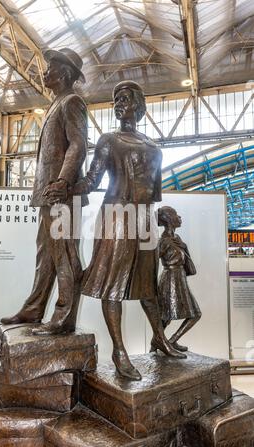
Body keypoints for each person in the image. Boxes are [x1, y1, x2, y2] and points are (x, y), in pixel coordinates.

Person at [60, 80, 185, 380]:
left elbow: (154, 192)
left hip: (142, 218)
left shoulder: (155, 147)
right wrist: (65, 186)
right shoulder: (108, 141)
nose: (119, 102)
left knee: (147, 285)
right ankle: (119, 351)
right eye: (116, 98)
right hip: (116, 215)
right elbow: (91, 180)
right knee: (112, 284)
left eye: (126, 98)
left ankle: (160, 337)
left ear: (139, 106)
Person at [1, 48, 88, 336]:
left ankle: (64, 317)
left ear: (64, 74)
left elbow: (78, 144)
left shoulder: (72, 102)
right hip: (50, 194)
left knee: (64, 254)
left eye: (50, 68)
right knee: (46, 254)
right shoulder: (57, 103)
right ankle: (35, 308)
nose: (45, 72)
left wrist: (63, 181)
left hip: (61, 193)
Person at [157, 206, 202, 351]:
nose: (179, 218)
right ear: (169, 219)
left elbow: (186, 261)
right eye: (176, 215)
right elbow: (152, 261)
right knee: (166, 317)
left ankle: (169, 341)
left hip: (180, 278)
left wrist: (185, 247)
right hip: (170, 280)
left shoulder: (177, 239)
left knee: (194, 314)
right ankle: (159, 344)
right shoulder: (164, 241)